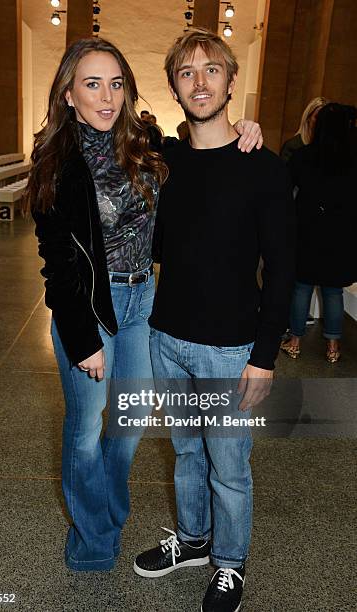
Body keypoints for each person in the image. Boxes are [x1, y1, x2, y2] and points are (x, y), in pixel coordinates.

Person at [25, 36, 263, 573]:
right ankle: (94, 537)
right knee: (86, 431)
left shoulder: (147, 145)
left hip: (142, 303)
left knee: (127, 426)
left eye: (116, 84)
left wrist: (244, 129)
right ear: (68, 94)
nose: (106, 97)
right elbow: (57, 262)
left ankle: (107, 516)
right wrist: (81, 335)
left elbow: (207, 150)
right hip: (91, 306)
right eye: (92, 85)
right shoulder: (54, 162)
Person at [133, 29, 295, 612]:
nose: (199, 82)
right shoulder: (166, 165)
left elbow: (281, 270)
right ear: (174, 88)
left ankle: (230, 563)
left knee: (229, 467)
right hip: (167, 338)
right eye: (186, 73)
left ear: (230, 80)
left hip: (231, 348)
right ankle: (195, 541)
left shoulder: (265, 168)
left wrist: (264, 356)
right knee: (185, 453)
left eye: (211, 70)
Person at [280, 103, 357, 363]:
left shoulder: (304, 156)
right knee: (333, 293)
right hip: (340, 237)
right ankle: (333, 346)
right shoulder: (353, 159)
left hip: (307, 232)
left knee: (301, 289)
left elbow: (287, 191)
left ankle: (295, 341)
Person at [280, 97, 328, 163]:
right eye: (317, 117)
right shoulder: (292, 146)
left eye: (324, 117)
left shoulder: (327, 149)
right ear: (308, 118)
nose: (320, 121)